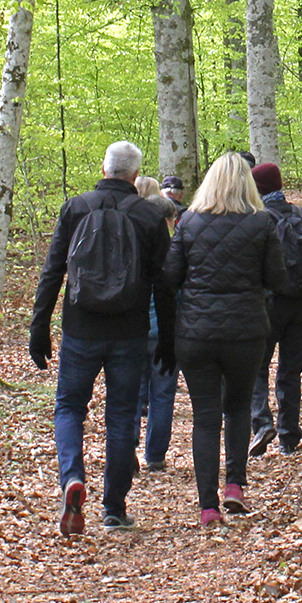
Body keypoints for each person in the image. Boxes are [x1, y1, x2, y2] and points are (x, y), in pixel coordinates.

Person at [28, 140, 172, 535]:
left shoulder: (76, 208)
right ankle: (114, 508)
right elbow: (164, 284)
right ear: (136, 176)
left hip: (80, 329)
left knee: (69, 407)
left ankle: (72, 478)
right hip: (130, 332)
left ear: (104, 169)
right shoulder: (149, 215)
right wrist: (168, 339)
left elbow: (53, 271)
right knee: (122, 415)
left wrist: (40, 326)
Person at [162, 153, 291, 523]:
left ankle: (207, 506)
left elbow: (170, 276)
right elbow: (277, 278)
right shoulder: (262, 222)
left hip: (196, 334)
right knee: (237, 407)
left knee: (205, 417)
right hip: (245, 332)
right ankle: (234, 484)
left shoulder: (188, 221)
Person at [247, 161, 302, 457]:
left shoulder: (257, 218)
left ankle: (262, 422)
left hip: (267, 305)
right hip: (301, 304)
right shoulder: (299, 214)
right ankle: (289, 436)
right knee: (290, 371)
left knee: (256, 368)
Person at [135, 177, 180, 473]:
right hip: (165, 332)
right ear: (170, 220)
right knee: (162, 395)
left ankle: (127, 448)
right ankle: (155, 455)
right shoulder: (175, 251)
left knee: (131, 393)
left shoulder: (131, 246)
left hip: (135, 330)